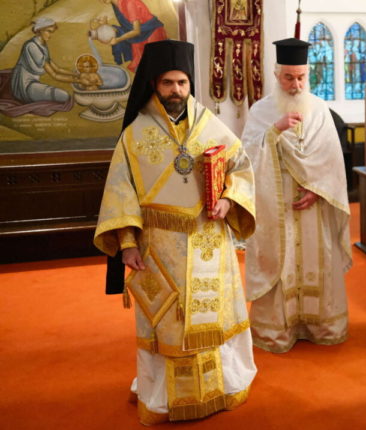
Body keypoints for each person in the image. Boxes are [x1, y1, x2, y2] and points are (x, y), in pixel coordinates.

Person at [93, 40, 257, 425]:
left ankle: (221, 385)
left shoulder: (209, 124)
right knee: (167, 321)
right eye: (168, 83)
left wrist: (228, 200)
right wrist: (127, 244)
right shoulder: (134, 134)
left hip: (208, 240)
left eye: (182, 83)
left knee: (212, 317)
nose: (176, 91)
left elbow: (240, 167)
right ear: (154, 83)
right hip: (159, 246)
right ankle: (164, 396)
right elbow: (120, 192)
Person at [242, 38, 352, 353]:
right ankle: (278, 329)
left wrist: (317, 189)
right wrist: (274, 130)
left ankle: (321, 326)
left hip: (314, 203)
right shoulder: (261, 111)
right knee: (283, 260)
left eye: (302, 77)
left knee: (319, 259)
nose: (296, 84)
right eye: (289, 77)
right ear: (277, 75)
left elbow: (332, 160)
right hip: (277, 203)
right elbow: (246, 157)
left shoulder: (319, 109)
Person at [10, 17, 81, 103]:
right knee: (64, 96)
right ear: (40, 30)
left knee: (62, 95)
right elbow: (54, 75)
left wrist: (77, 75)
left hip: (33, 83)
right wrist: (79, 81)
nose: (50, 35)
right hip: (25, 87)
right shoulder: (32, 46)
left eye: (51, 32)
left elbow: (57, 69)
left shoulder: (43, 45)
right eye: (48, 31)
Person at [100, 0, 168, 72]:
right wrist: (106, 25)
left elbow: (136, 31)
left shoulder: (129, 3)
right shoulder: (116, 5)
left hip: (151, 33)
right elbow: (127, 28)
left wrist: (118, 40)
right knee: (140, 67)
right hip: (138, 37)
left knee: (153, 65)